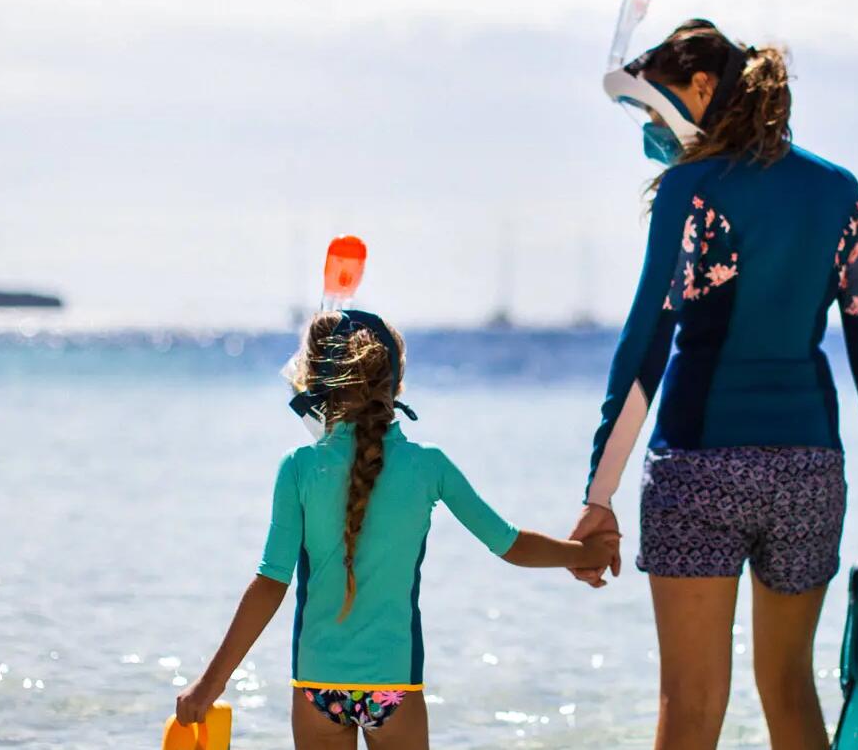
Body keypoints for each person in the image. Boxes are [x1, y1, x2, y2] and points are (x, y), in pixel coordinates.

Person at [575, 19, 858, 749]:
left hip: (698, 464)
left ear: (702, 88)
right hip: (807, 470)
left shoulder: (689, 188)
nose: (650, 127)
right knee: (791, 691)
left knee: (691, 705)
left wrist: (597, 497)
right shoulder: (839, 192)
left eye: (653, 106)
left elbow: (645, 344)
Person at [175, 310, 618, 749]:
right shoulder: (429, 465)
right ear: (396, 382)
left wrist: (210, 684)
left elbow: (270, 582)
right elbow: (510, 545)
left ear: (313, 381)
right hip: (394, 686)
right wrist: (584, 554)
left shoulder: (299, 468)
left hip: (316, 683)